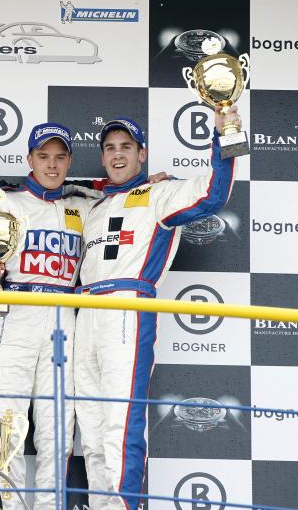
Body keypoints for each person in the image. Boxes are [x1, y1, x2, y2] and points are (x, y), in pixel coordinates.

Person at [73, 107, 240, 510]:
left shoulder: (160, 194)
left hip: (127, 305)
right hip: (84, 309)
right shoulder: (93, 204)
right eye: (110, 148)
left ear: (142, 154)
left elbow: (214, 193)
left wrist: (227, 134)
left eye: (126, 147)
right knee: (91, 430)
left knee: (121, 422)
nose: (117, 154)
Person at [0, 123, 99, 509]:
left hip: (63, 318)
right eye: (43, 156)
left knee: (57, 431)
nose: (52, 164)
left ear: (70, 161)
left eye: (60, 157)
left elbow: (122, 193)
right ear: (29, 159)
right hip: (15, 313)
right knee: (8, 426)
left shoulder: (84, 204)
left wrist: (155, 181)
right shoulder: (5, 201)